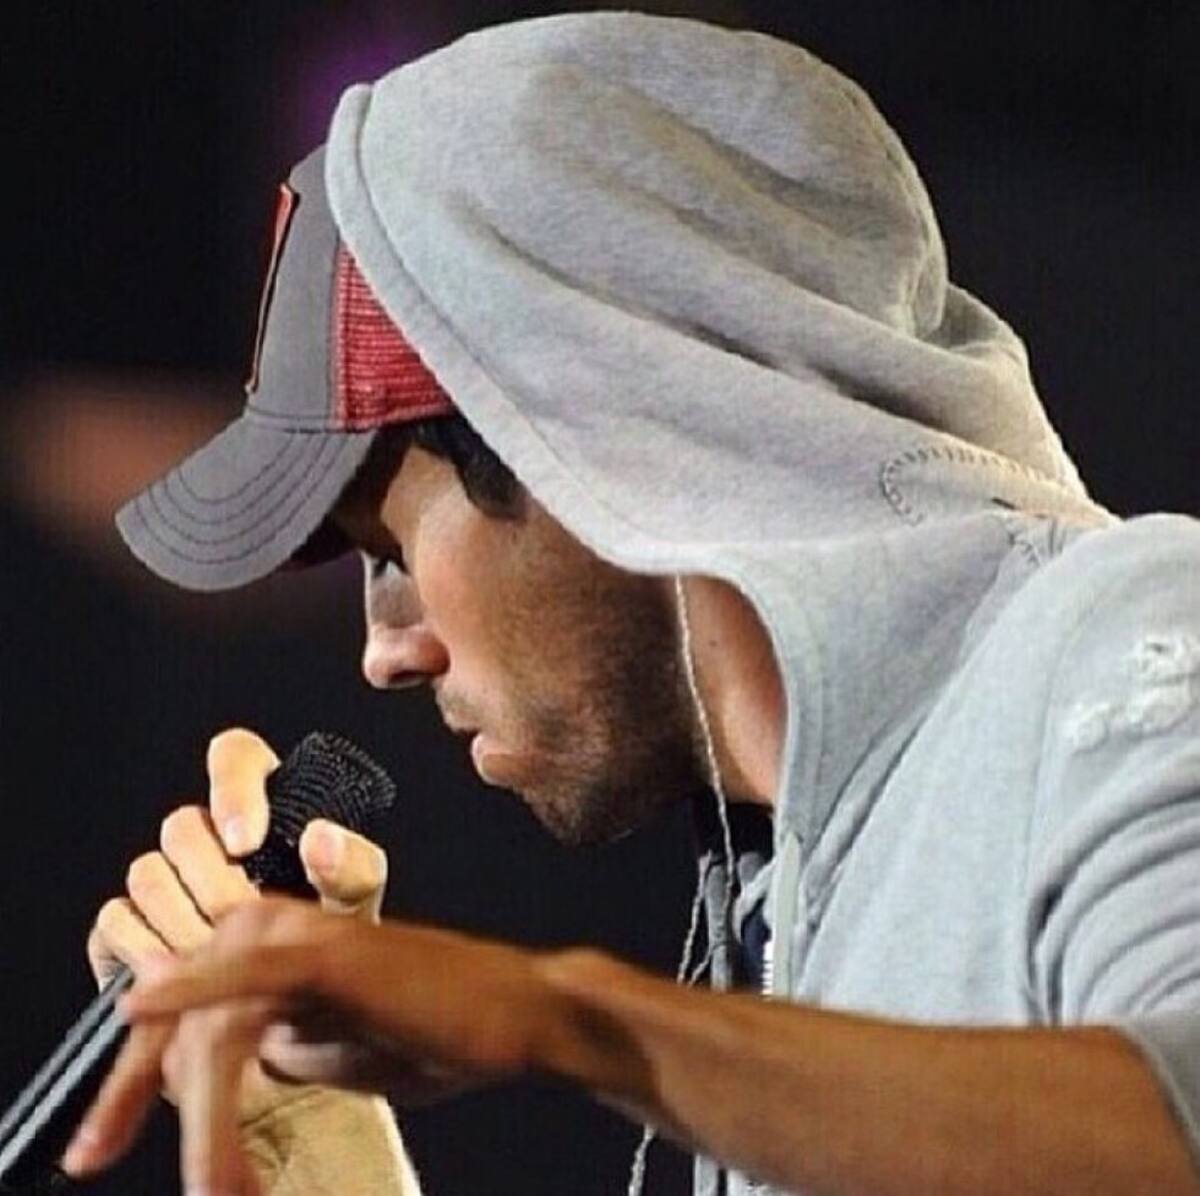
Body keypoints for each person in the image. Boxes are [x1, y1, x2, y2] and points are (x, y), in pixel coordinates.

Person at [64, 12, 1200, 1196]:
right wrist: (320, 1149)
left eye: (390, 548)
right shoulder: (771, 922)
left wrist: (572, 1019)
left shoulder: (1129, 632)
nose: (386, 650)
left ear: (599, 429)